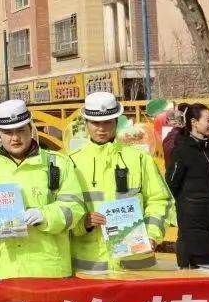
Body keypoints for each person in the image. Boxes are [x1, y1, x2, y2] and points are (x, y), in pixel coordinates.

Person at [0, 99, 85, 279]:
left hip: (51, 270)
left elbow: (75, 209)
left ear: (31, 128)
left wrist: (44, 215)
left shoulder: (58, 164)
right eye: (8, 132)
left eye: (21, 130)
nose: (15, 138)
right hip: (5, 270)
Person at [68, 92, 172, 274]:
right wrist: (83, 223)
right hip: (91, 267)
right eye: (95, 123)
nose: (101, 128)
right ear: (86, 124)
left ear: (116, 121)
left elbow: (160, 200)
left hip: (136, 264)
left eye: (107, 122)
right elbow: (65, 207)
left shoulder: (140, 159)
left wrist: (152, 235)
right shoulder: (71, 162)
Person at [167, 103, 209, 267]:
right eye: (208, 120)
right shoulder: (181, 150)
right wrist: (171, 212)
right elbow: (171, 184)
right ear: (194, 122)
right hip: (191, 219)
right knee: (194, 268)